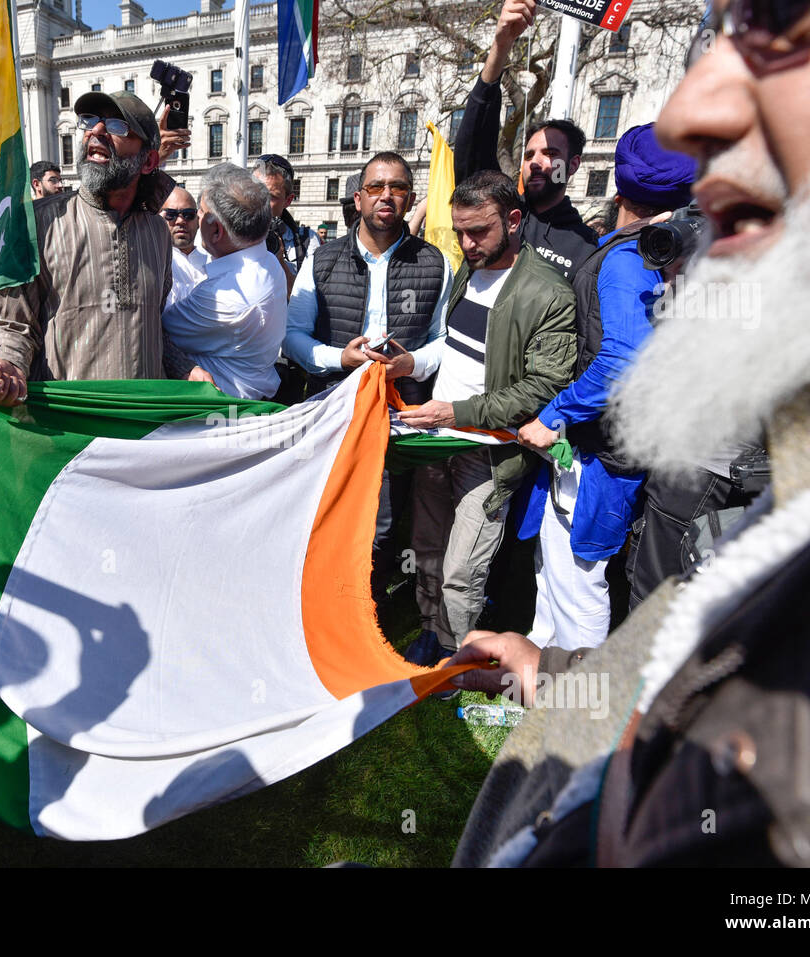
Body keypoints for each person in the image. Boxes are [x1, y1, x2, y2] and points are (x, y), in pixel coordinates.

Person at [447, 0, 810, 867]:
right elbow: (702, 673)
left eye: (784, 18)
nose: (694, 109)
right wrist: (558, 670)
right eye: (720, 29)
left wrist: (551, 413)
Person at [514, 124, 696, 651]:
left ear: (620, 186)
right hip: (599, 447)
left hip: (603, 453)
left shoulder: (627, 258)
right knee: (554, 564)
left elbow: (621, 359)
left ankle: (575, 705)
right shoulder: (660, 251)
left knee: (579, 579)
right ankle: (540, 679)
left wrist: (554, 415)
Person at [396, 171, 576, 668]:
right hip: (437, 441)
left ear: (514, 220)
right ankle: (434, 632)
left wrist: (457, 412)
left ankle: (460, 655)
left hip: (490, 455)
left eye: (479, 231)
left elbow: (543, 389)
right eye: (459, 232)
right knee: (427, 548)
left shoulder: (548, 293)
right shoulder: (469, 270)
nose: (467, 243)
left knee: (461, 567)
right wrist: (413, 363)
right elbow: (455, 347)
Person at [284, 150, 453, 600]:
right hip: (333, 410)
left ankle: (362, 608)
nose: (387, 196)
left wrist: (410, 364)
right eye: (376, 187)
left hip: (397, 417)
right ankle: (316, 599)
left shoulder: (435, 263)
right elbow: (292, 335)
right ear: (358, 198)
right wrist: (340, 358)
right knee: (324, 511)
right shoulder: (322, 260)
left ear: (410, 198)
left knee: (379, 520)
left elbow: (444, 339)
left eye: (397, 188)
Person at [0, 90, 209, 405]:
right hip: (72, 430)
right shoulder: (39, 222)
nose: (96, 131)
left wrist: (184, 368)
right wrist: (6, 363)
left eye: (116, 126)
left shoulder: (157, 232)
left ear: (149, 160)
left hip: (144, 425)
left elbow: (148, 324)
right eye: (90, 121)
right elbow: (10, 323)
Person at [453, 0, 599, 280]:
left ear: (573, 165)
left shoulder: (586, 247)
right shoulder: (500, 209)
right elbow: (472, 145)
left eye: (550, 153)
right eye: (529, 155)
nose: (535, 163)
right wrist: (501, 44)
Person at [161, 164, 287, 400]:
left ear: (216, 231)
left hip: (221, 413)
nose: (192, 219)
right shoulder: (269, 262)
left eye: (198, 213)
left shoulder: (223, 297)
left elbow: (159, 328)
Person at [252, 153, 319, 279]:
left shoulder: (307, 241)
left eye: (270, 197)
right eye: (254, 192)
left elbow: (304, 298)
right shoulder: (228, 235)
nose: (259, 202)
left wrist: (279, 259)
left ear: (288, 201)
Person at [160, 185, 208, 308]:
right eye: (171, 214)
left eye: (188, 214)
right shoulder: (154, 265)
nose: (180, 221)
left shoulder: (213, 263)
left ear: (198, 220)